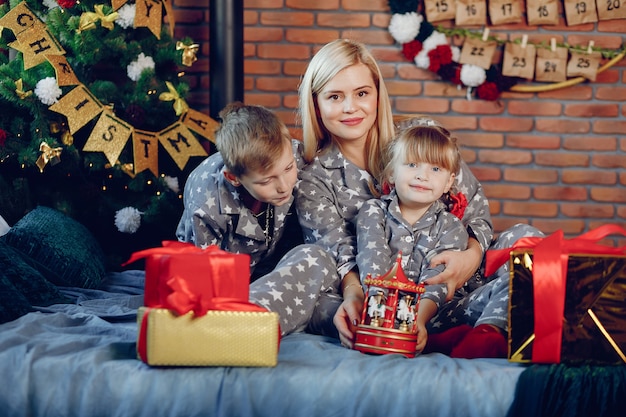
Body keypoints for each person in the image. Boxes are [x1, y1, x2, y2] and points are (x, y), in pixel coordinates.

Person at [295, 38, 543, 351]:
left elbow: (477, 214)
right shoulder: (314, 178)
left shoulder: (422, 135)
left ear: (377, 94)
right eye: (334, 96)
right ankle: (436, 334)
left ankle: (483, 333)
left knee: (527, 241)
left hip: (451, 287)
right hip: (378, 301)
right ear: (316, 103)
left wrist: (470, 257)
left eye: (361, 93)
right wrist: (361, 297)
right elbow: (339, 259)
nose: (350, 107)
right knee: (321, 301)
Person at [176, 102, 338, 334]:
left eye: (288, 168)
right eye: (266, 181)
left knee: (319, 263)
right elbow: (200, 280)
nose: (284, 186)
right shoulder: (205, 201)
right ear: (233, 177)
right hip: (219, 288)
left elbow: (326, 233)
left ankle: (249, 323)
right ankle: (232, 330)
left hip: (275, 277)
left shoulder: (297, 157)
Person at [356, 121, 512, 358]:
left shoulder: (452, 226)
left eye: (435, 170)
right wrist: (393, 322)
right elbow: (373, 265)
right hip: (379, 310)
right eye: (412, 164)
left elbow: (437, 280)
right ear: (391, 172)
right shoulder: (373, 212)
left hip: (432, 315)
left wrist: (417, 322)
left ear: (449, 182)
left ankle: (483, 335)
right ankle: (434, 341)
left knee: (509, 285)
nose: (423, 176)